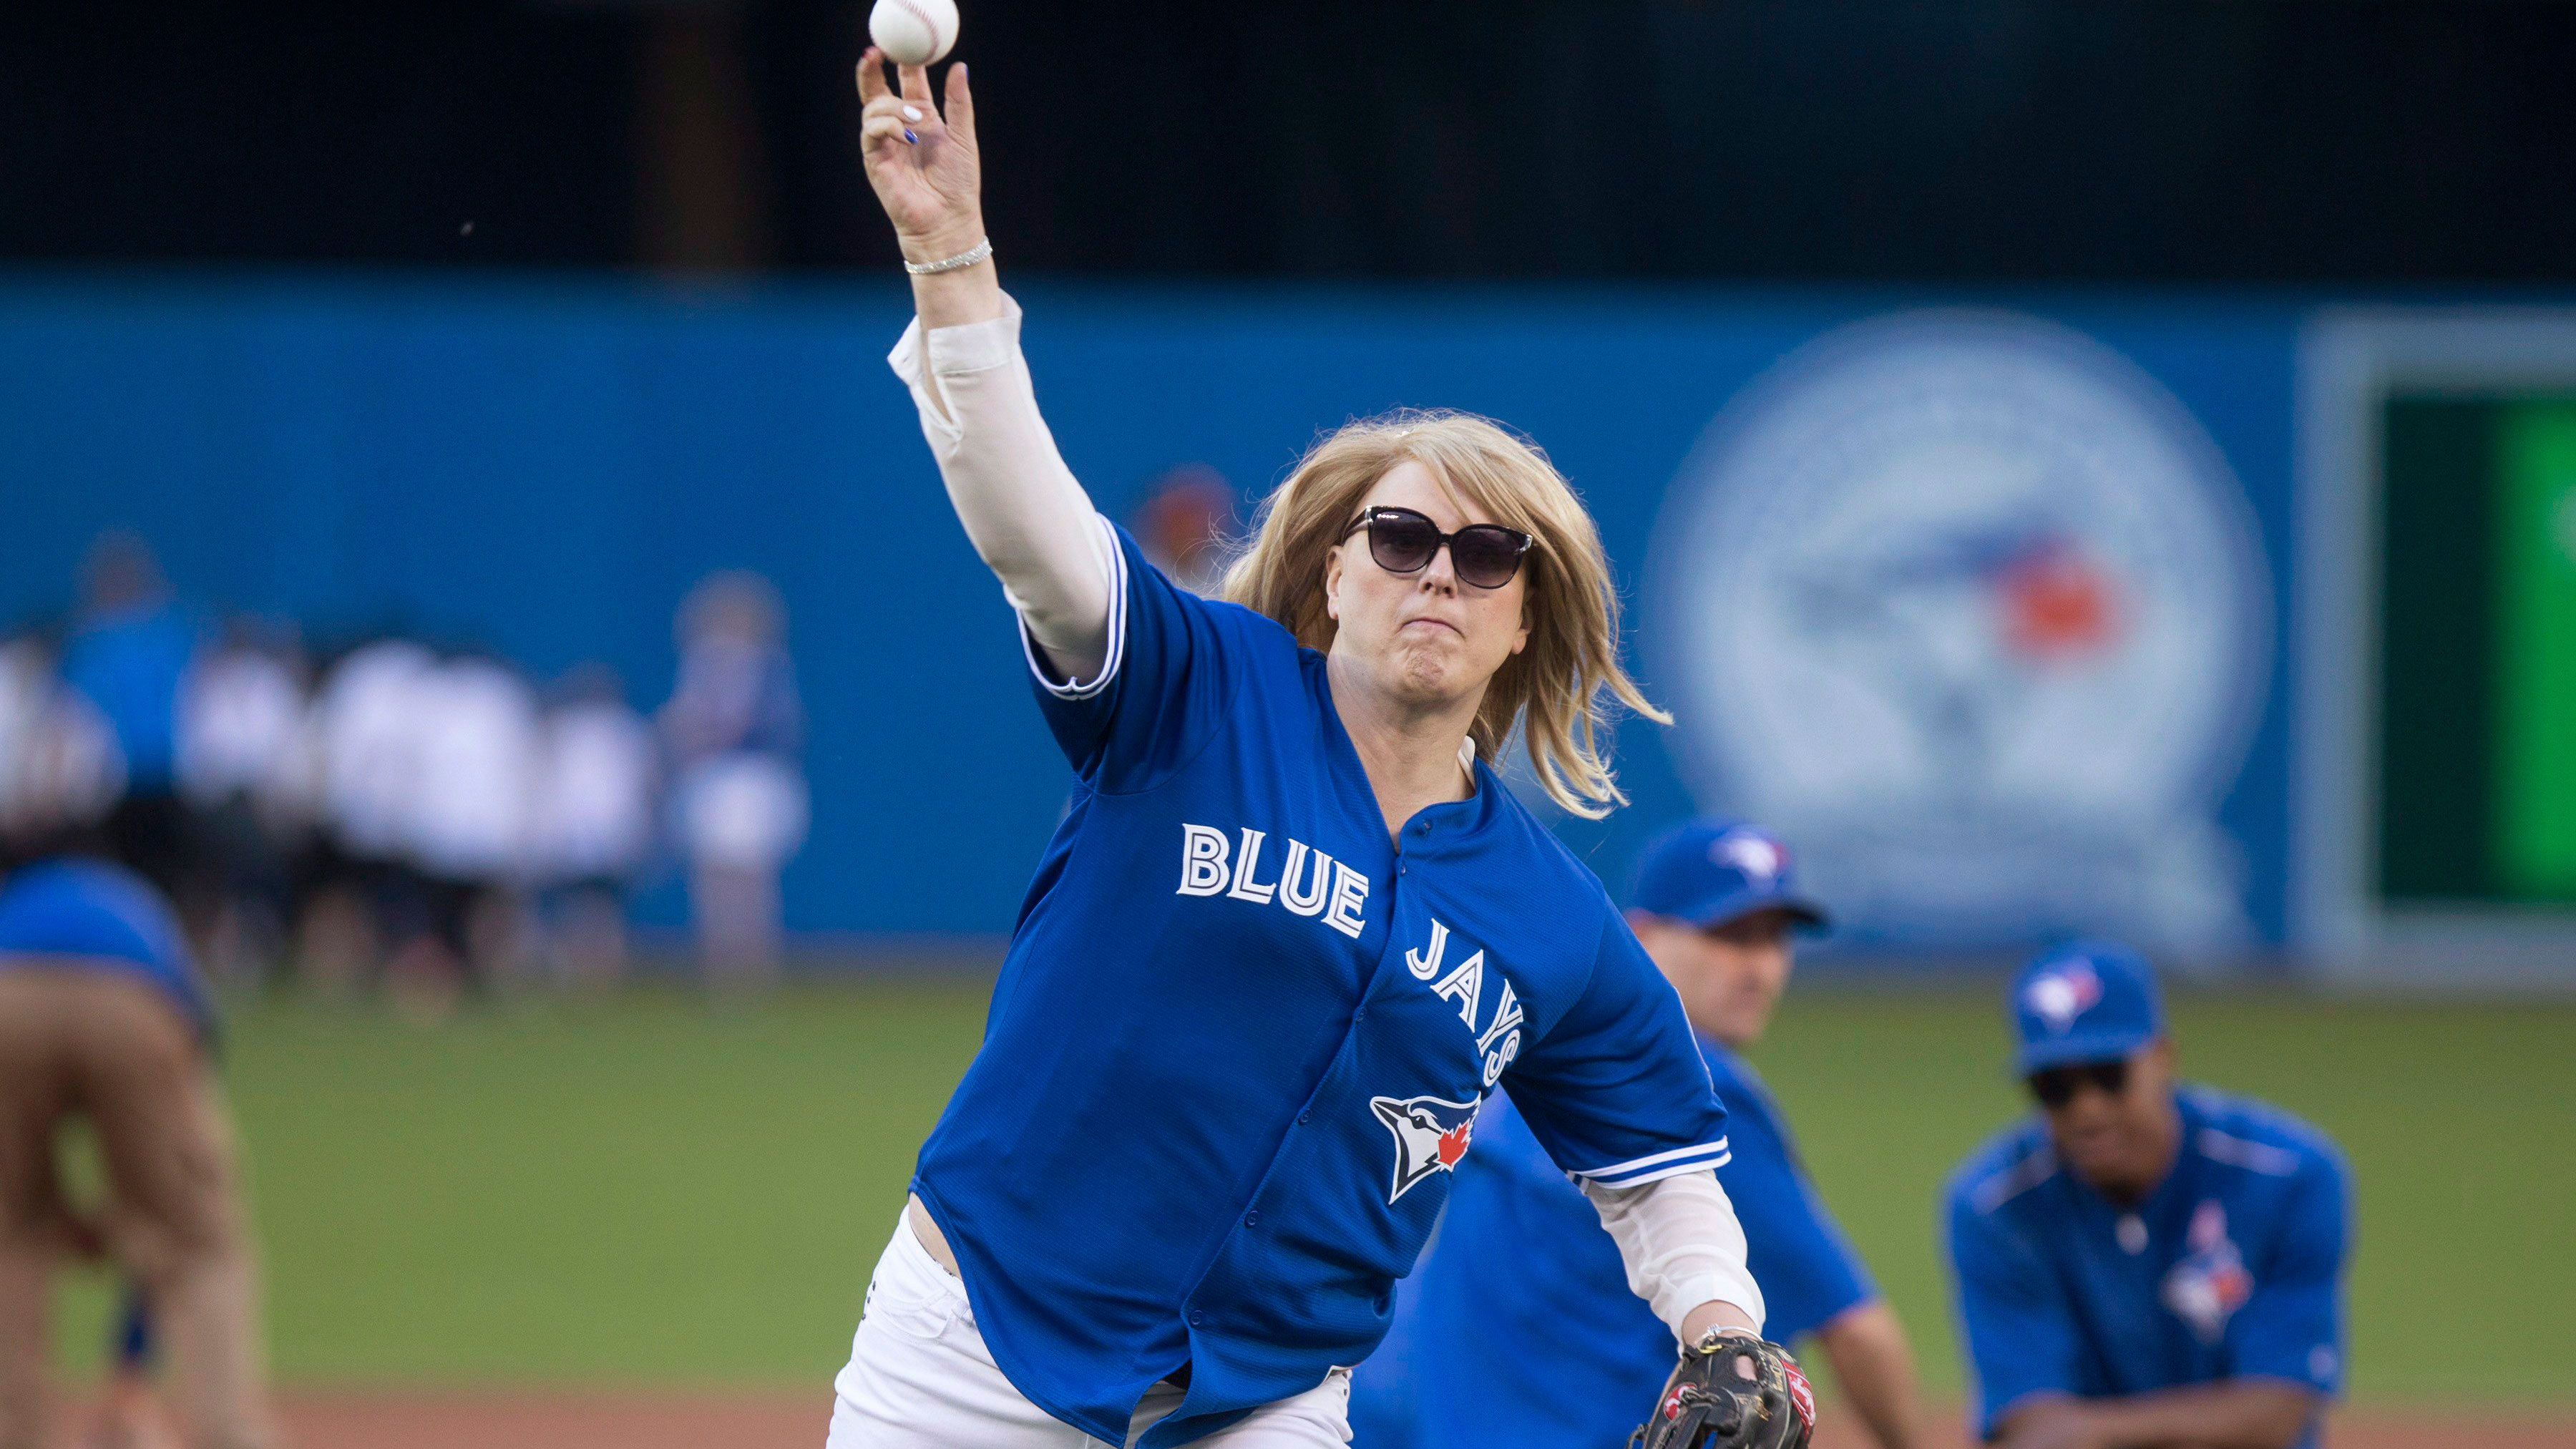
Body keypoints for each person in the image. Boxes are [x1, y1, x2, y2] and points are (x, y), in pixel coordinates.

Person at [827, 49, 1795, 1449]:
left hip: (1265, 1402)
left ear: (1527, 617)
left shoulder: (1552, 921)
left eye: (1485, 557)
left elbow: (1658, 1160)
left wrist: (1723, 1327)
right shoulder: (1190, 693)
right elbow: (1026, 527)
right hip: (978, 1346)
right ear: (1335, 571)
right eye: (1399, 541)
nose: (1436, 577)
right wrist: (953, 260)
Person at [1350, 819, 1923, 1449]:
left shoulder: (1529, 1074)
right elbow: (1855, 1330)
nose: (1759, 967)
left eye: (1775, 939)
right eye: (1728, 936)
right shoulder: (1703, 1090)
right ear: (1642, 939)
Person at [1942, 941, 2349, 1449]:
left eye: (2109, 1075)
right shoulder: (1993, 1206)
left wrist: (2092, 1429)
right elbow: (2028, 1423)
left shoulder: (2288, 1174)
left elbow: (2277, 1410)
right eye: (2054, 1087)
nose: (2087, 1110)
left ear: (2162, 1057)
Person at [0, 855, 275, 1449]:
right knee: (200, 1240)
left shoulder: (19, 902)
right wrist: (131, 1365)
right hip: (132, 1002)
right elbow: (174, 1204)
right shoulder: (146, 918)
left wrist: (55, 1211)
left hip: (6, 999)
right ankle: (228, 1435)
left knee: (9, 1236)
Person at [659, 571, 806, 990]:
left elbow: (779, 727)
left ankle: (754, 969)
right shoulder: (700, 664)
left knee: (752, 879)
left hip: (751, 777)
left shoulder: (768, 667)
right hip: (711, 778)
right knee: (713, 880)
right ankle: (718, 968)